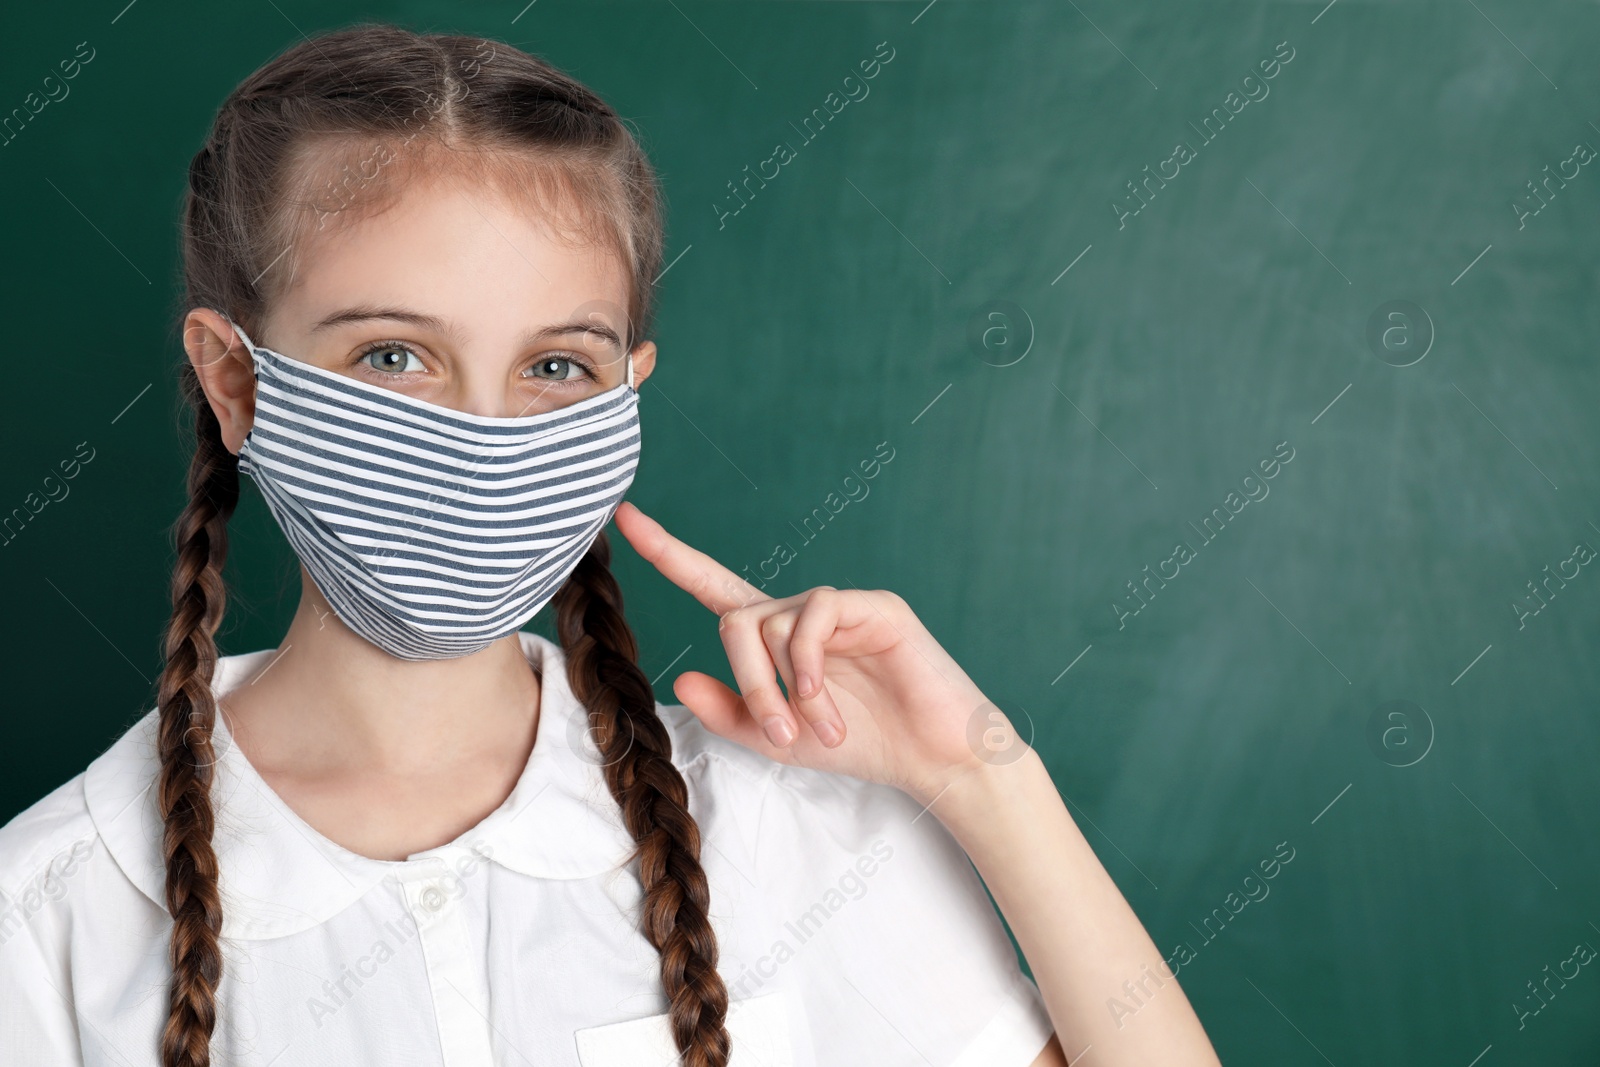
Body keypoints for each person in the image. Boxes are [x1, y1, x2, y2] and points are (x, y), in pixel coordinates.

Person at [0, 23, 1222, 1067]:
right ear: (236, 381)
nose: (481, 438)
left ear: (624, 394)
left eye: (553, 367)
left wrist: (981, 781)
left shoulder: (794, 822)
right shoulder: (46, 911)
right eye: (392, 355)